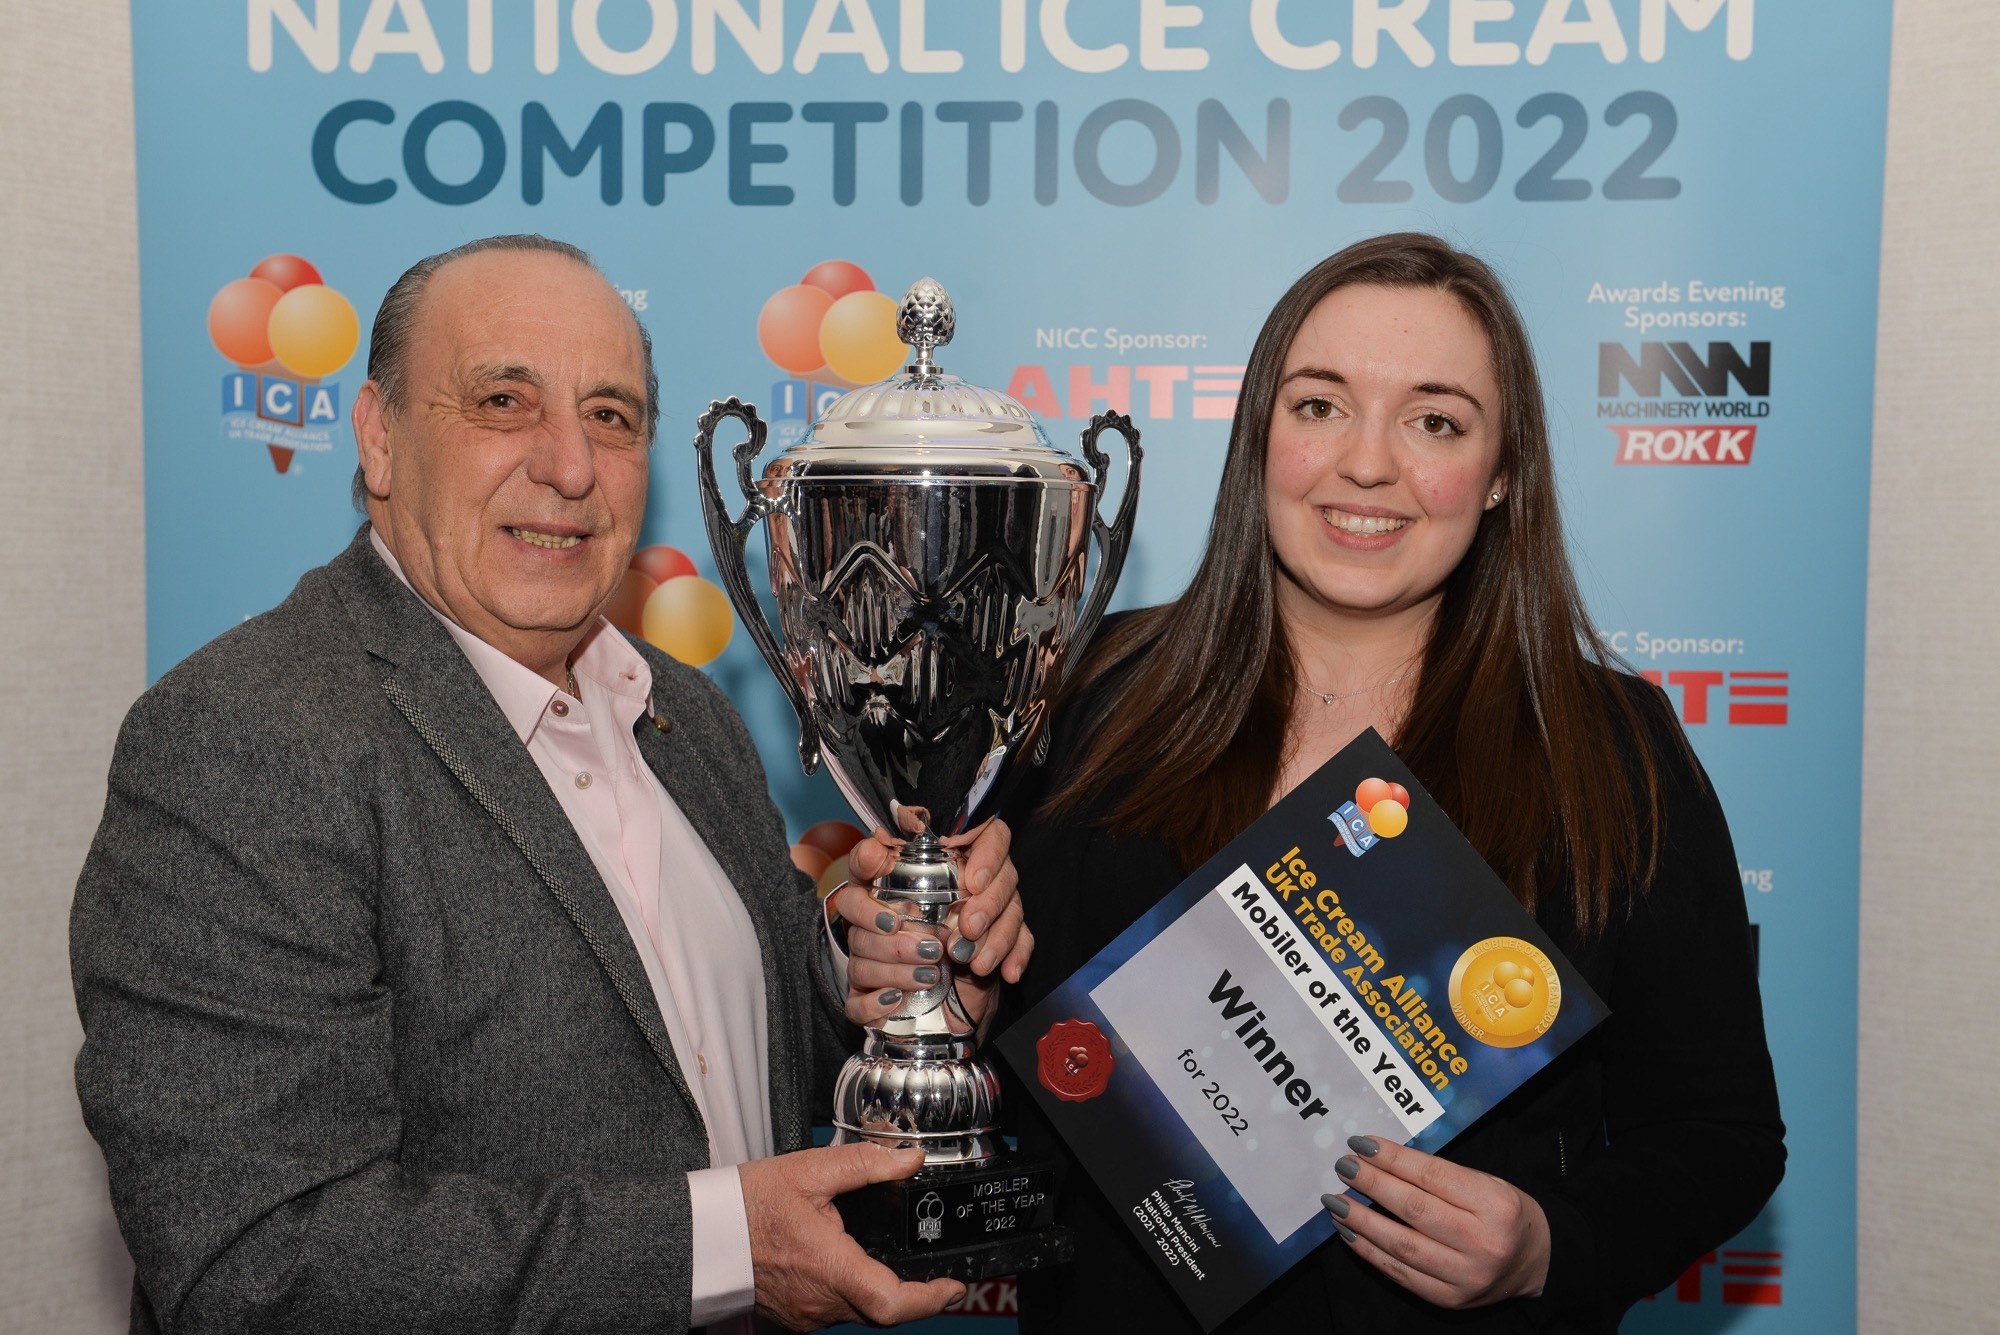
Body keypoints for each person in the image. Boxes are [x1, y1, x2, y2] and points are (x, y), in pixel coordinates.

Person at [70, 233, 1031, 1334]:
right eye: (503, 402)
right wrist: (723, 1249)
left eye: (611, 416)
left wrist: (898, 979)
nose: (570, 466)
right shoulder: (245, 737)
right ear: (379, 437)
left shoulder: (684, 712)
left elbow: (736, 1072)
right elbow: (257, 1257)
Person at [1003, 232, 1785, 1332]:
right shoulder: (1088, 690)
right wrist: (915, 971)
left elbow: (1719, 1134)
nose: (1366, 464)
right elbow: (994, 1035)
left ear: (1502, 472)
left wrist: (1548, 1245)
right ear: (1259, 435)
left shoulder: (1608, 749)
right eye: (1319, 406)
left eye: (1435, 422)